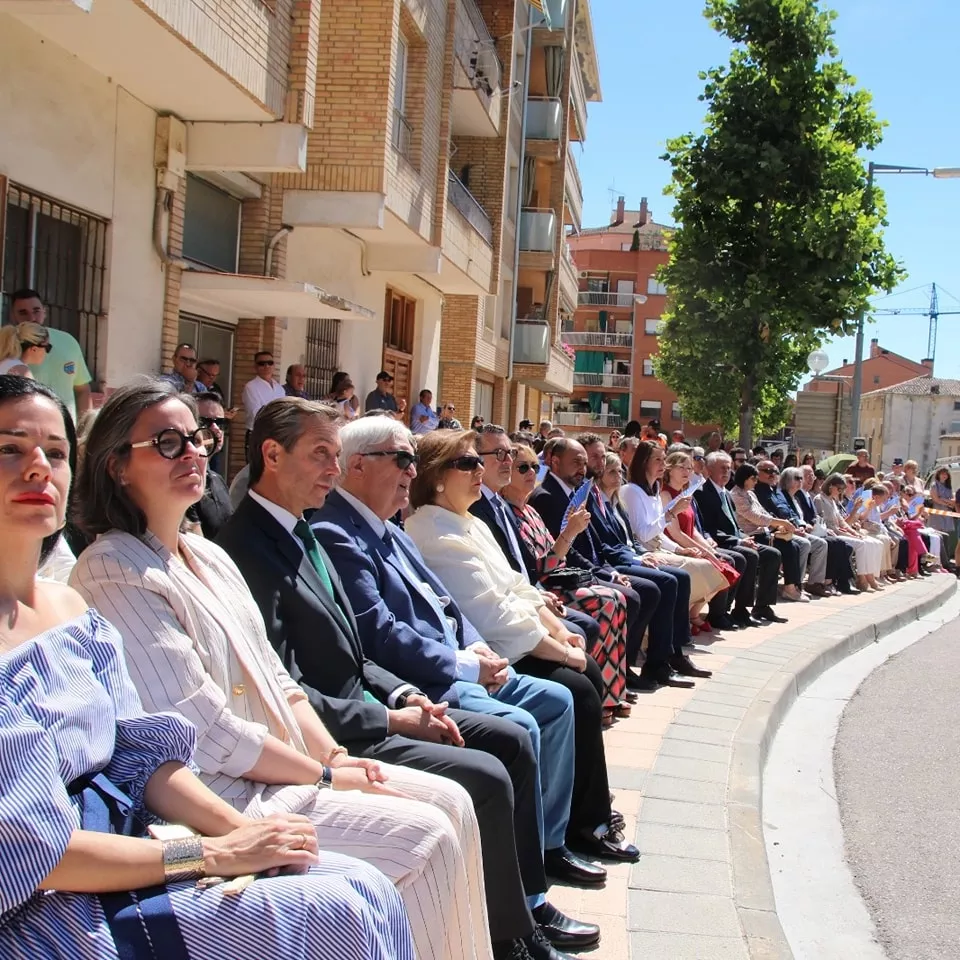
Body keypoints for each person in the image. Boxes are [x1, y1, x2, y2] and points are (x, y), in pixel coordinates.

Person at [68, 380, 493, 960]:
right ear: (116, 465)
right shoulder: (113, 569)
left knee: (454, 802)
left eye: (196, 439)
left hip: (285, 768)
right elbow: (206, 729)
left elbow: (280, 680)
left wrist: (336, 758)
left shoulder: (210, 555)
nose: (194, 453)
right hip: (228, 794)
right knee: (424, 837)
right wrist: (320, 776)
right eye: (169, 443)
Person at [0, 375, 415, 960]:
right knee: (344, 907)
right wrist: (216, 850)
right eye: (10, 449)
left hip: (144, 837)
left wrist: (240, 833)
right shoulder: (111, 571)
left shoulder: (71, 611)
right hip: (49, 910)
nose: (40, 468)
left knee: (365, 888)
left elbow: (144, 754)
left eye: (56, 452)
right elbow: (30, 853)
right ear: (117, 465)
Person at [214, 397, 571, 960]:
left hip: (373, 704)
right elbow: (281, 684)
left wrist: (403, 692)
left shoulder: (302, 529)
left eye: (338, 454)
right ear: (272, 456)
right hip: (331, 735)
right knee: (486, 771)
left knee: (507, 742)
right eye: (321, 455)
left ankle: (519, 913)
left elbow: (355, 648)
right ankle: (508, 937)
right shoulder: (247, 547)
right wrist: (390, 714)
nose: (334, 469)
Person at [312, 417, 605, 944]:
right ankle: (525, 899)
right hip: (426, 679)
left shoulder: (390, 530)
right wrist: (466, 663)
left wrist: (476, 647)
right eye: (401, 460)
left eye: (411, 460)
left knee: (560, 701)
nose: (409, 471)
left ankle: (546, 848)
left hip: (463, 660)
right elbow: (378, 632)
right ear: (357, 467)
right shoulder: (340, 532)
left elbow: (448, 604)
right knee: (520, 731)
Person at [404, 429, 640, 868]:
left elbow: (518, 587)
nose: (482, 470)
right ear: (437, 477)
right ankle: (577, 827)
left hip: (515, 636)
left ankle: (585, 816)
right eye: (468, 464)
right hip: (494, 651)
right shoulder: (432, 532)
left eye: (480, 461)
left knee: (584, 674)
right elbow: (494, 616)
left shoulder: (470, 521)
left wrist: (558, 627)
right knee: (579, 686)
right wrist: (562, 649)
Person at [480, 430, 630, 717]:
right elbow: (539, 568)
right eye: (522, 467)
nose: (530, 473)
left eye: (534, 467)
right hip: (547, 589)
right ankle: (596, 697)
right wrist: (570, 534)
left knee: (616, 599)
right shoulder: (515, 509)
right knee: (607, 603)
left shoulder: (529, 513)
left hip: (549, 586)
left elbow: (550, 558)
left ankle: (611, 693)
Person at [621, 442, 732, 621]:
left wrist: (680, 550)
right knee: (700, 568)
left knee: (712, 566)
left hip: (658, 548)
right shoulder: (631, 491)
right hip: (645, 553)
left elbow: (659, 535)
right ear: (643, 462)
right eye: (657, 460)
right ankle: (682, 619)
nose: (662, 465)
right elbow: (643, 535)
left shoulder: (654, 491)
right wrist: (671, 513)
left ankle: (685, 617)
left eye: (663, 459)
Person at [695, 452, 785, 623]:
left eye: (729, 468)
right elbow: (709, 528)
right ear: (709, 469)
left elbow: (734, 525)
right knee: (749, 556)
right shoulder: (703, 493)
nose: (726, 472)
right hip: (718, 541)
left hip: (737, 538)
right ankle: (727, 610)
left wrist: (743, 537)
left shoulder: (726, 494)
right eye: (722, 468)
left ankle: (761, 606)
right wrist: (738, 541)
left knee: (773, 555)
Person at [729, 462, 810, 602]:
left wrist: (776, 527)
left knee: (794, 545)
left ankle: (792, 586)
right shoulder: (736, 495)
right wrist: (780, 522)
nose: (755, 481)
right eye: (753, 479)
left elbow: (763, 512)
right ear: (745, 478)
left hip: (763, 532)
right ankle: (787, 589)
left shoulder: (750, 494)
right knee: (784, 549)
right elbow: (754, 516)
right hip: (750, 535)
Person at [9, 288, 92, 423]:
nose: (31, 318)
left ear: (44, 312)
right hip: (24, 432)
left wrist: (84, 430)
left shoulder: (68, 341)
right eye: (23, 312)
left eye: (36, 311)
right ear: (13, 316)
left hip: (65, 432)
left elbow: (82, 389)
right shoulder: (6, 346)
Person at [755, 462, 830, 598]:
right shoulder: (759, 491)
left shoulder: (776, 492)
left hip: (789, 529)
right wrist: (793, 527)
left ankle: (811, 583)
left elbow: (789, 512)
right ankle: (795, 585)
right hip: (773, 531)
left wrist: (799, 525)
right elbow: (771, 515)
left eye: (775, 471)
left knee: (821, 543)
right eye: (798, 478)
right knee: (802, 544)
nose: (772, 474)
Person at [814, 473, 885, 591]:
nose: (840, 491)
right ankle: (861, 579)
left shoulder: (832, 501)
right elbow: (829, 525)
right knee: (861, 544)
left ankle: (871, 577)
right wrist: (850, 534)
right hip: (830, 533)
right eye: (839, 488)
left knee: (874, 543)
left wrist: (854, 532)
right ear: (831, 486)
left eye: (843, 489)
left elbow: (842, 522)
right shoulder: (820, 499)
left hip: (838, 531)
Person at [184, 391, 234, 539]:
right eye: (206, 422)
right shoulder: (185, 483)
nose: (215, 429)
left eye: (220, 423)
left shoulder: (217, 479)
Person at [242, 351, 286, 456]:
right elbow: (255, 413)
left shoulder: (279, 388)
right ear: (255, 367)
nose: (266, 366)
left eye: (269, 363)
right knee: (257, 469)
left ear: (274, 366)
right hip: (258, 434)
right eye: (262, 363)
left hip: (277, 434)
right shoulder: (250, 387)